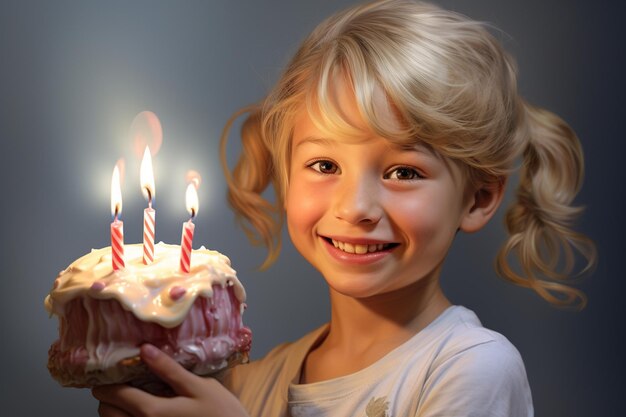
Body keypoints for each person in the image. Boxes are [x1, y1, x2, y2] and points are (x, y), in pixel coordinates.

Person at [93, 0, 596, 416]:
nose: (355, 207)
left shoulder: (470, 369)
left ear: (479, 197)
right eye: (325, 165)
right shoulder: (251, 384)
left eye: (404, 172)